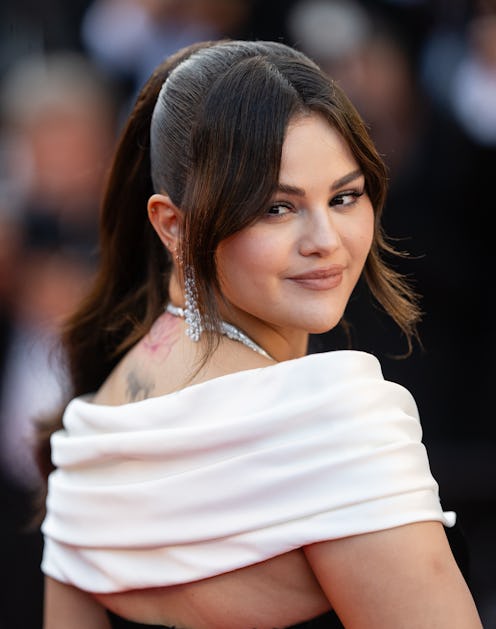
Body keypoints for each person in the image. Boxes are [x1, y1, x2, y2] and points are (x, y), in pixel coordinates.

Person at [37, 39, 483, 628]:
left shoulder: (93, 423)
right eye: (277, 207)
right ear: (173, 224)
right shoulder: (334, 420)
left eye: (345, 196)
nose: (325, 238)